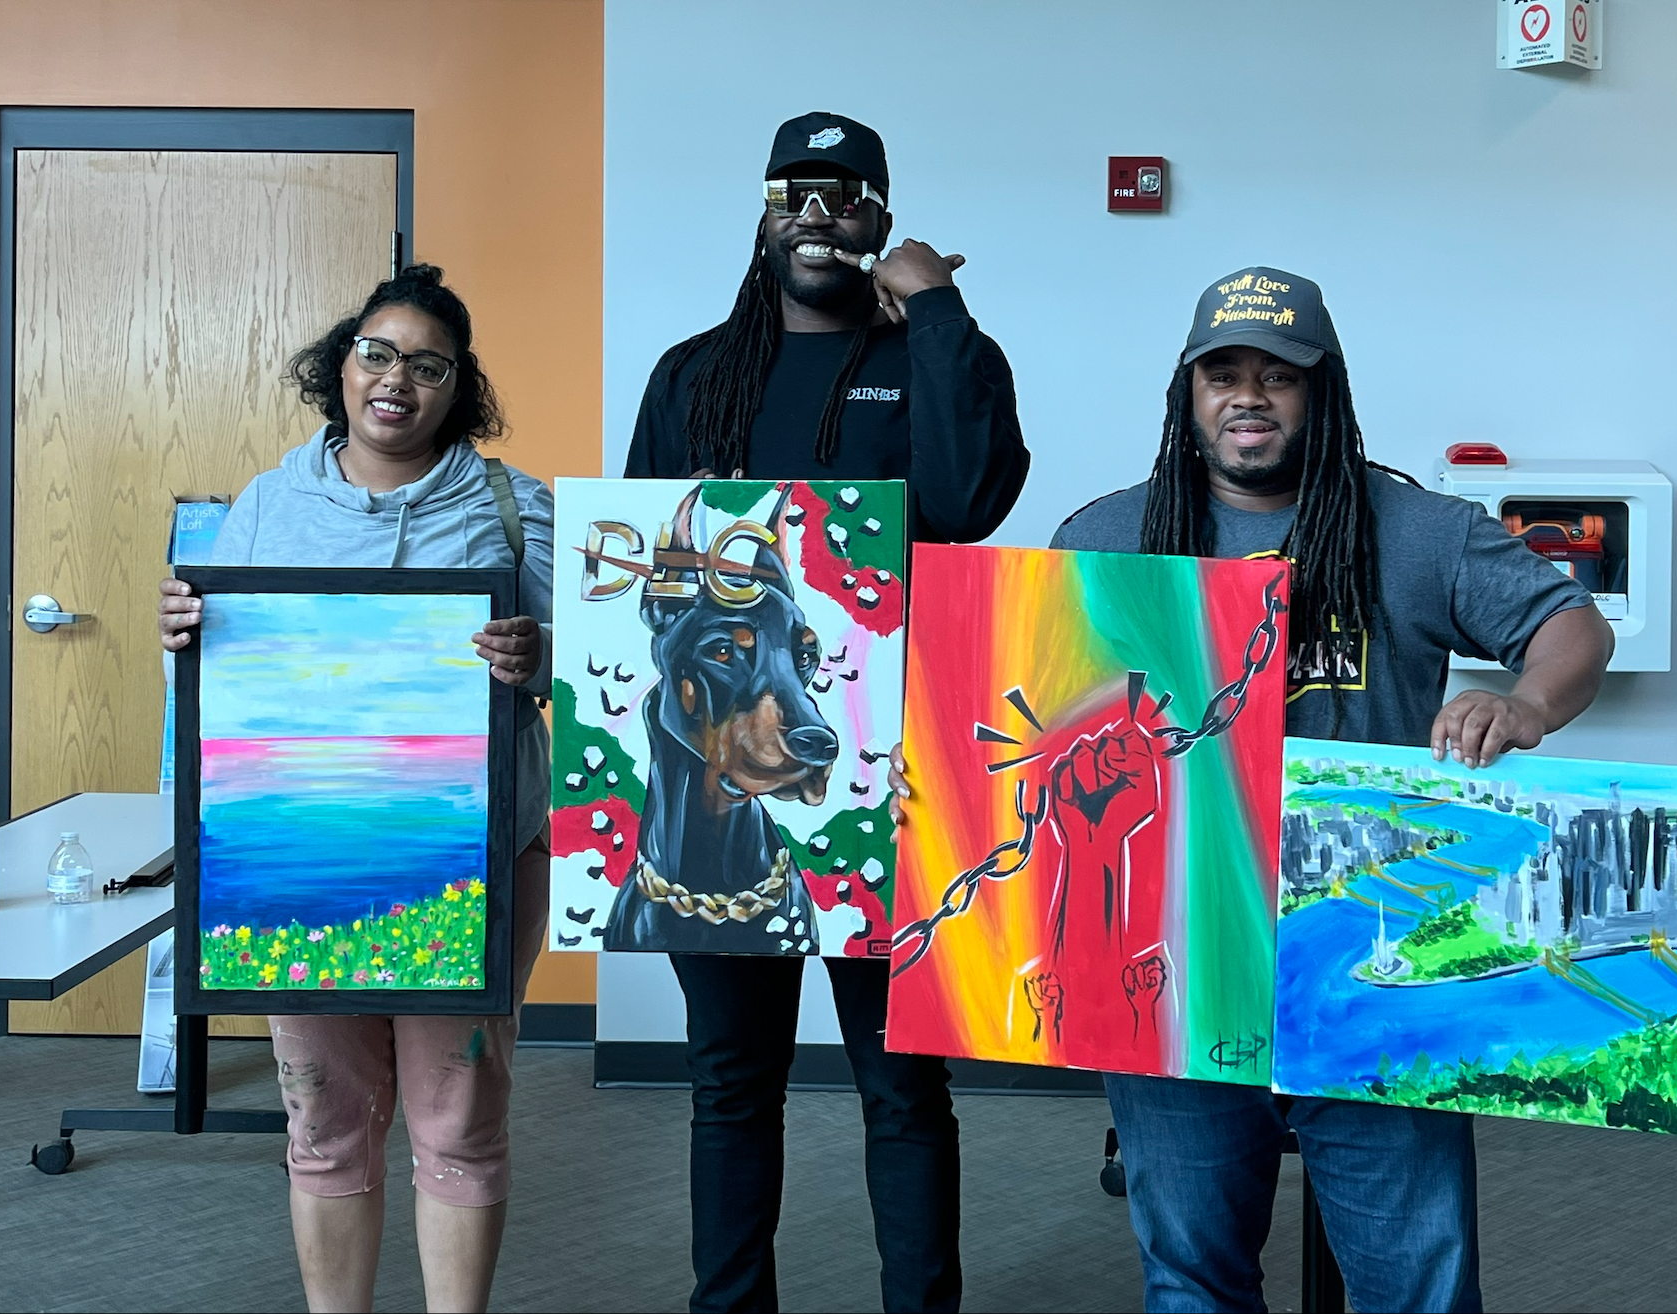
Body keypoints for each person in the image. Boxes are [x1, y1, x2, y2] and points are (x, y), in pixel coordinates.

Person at [892, 266, 1614, 1313]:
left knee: (1414, 1279)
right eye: (1220, 375)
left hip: (1369, 958)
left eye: (1277, 377)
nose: (1247, 397)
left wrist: (1524, 703)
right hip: (1172, 962)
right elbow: (1027, 722)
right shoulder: (1101, 540)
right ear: (1185, 398)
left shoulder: (1415, 532)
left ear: (1321, 396)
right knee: (1190, 1275)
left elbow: (1569, 628)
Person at [625, 111, 1029, 1313]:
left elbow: (962, 507)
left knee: (901, 1084)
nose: (818, 213)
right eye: (792, 191)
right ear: (760, 213)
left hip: (894, 781)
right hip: (723, 792)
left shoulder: (941, 357)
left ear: (882, 219)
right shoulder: (694, 372)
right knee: (728, 1083)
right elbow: (655, 563)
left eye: (847, 195)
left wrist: (939, 314)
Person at [157, 264, 555, 1314]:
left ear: (456, 386)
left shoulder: (516, 511)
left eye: (429, 364)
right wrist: (182, 643)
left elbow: (598, 672)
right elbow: (213, 692)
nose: (397, 380)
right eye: (377, 353)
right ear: (340, 365)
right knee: (323, 1124)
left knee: (460, 1120)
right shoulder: (265, 507)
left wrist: (538, 654)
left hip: (474, 864)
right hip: (299, 868)